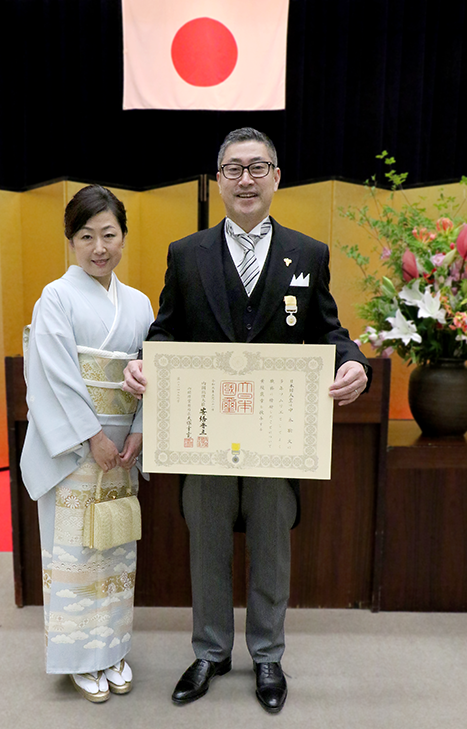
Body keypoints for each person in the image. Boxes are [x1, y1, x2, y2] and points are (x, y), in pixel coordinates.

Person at [123, 128, 370, 714]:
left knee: (271, 541)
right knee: (205, 540)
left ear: (277, 177)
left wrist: (353, 361)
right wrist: (144, 360)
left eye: (258, 167)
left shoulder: (308, 254)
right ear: (219, 180)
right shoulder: (187, 253)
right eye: (233, 169)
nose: (246, 179)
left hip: (276, 438)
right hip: (204, 435)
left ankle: (267, 654)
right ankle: (209, 651)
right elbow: (167, 328)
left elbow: (330, 331)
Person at [20, 185, 154, 703]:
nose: (100, 247)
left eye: (110, 235)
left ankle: (113, 648)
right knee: (76, 552)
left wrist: (138, 431)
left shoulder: (140, 303)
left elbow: (154, 370)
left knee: (116, 550)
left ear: (123, 237)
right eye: (86, 236)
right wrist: (93, 436)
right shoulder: (55, 297)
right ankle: (80, 657)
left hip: (122, 452)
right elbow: (51, 376)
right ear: (71, 241)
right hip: (76, 450)